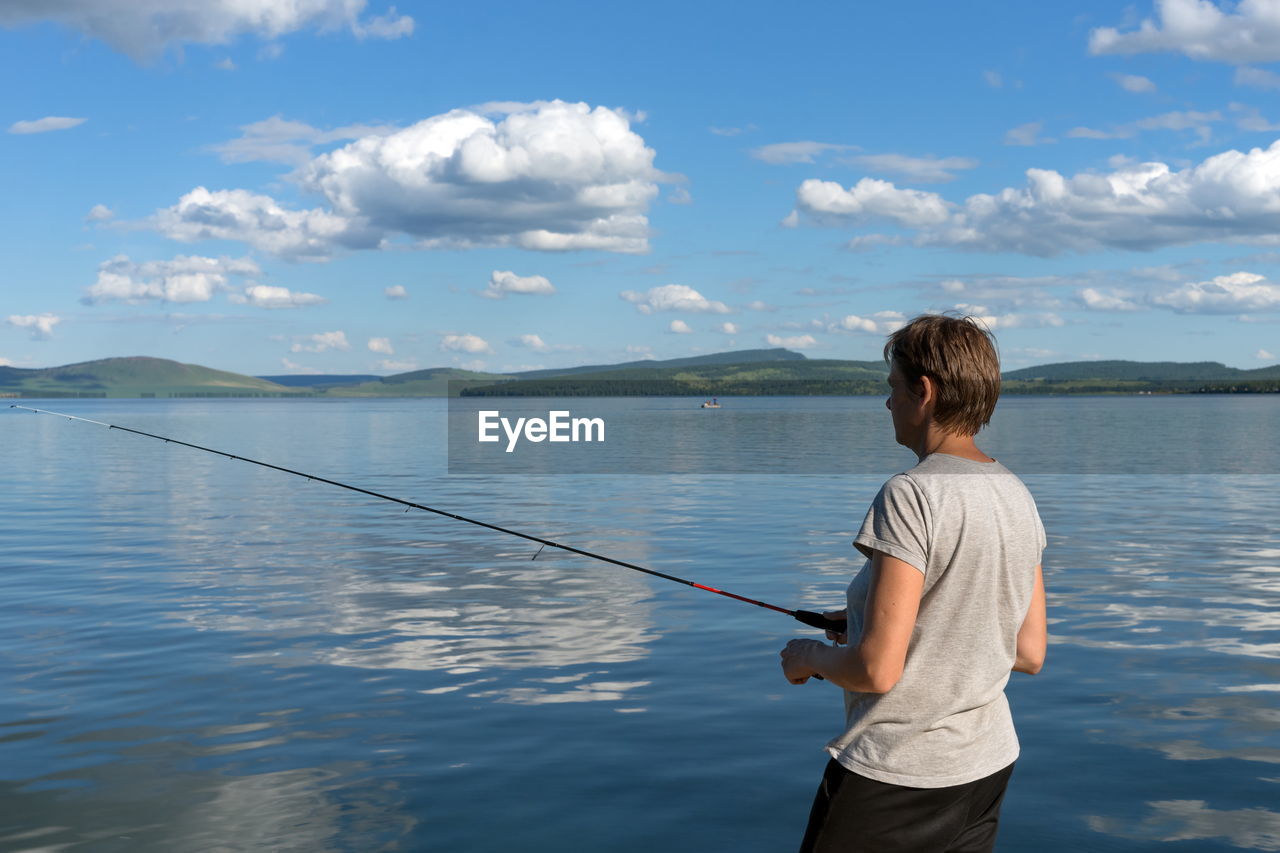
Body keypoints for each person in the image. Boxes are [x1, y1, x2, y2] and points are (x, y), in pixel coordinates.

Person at [779, 313, 1047, 853]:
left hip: (896, 775)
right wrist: (857, 621)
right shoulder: (1015, 493)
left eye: (892, 388)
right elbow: (1027, 650)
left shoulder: (910, 495)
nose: (887, 404)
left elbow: (875, 670)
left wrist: (807, 654)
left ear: (923, 391)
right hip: (984, 769)